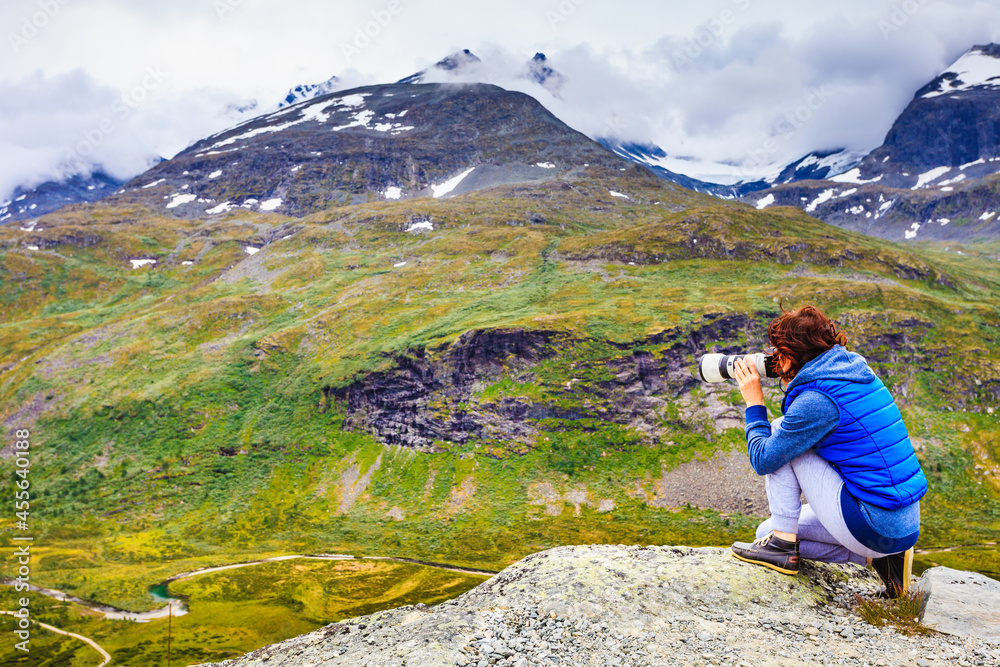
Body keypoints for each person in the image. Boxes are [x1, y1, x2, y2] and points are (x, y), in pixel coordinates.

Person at [728, 305, 927, 598]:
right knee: (762, 533)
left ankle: (782, 547)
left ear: (793, 354)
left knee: (779, 431)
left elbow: (764, 459)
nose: (774, 360)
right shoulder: (853, 370)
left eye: (778, 352)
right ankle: (882, 559)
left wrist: (754, 402)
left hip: (874, 523)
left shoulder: (818, 401)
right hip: (903, 525)